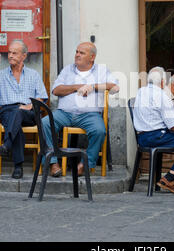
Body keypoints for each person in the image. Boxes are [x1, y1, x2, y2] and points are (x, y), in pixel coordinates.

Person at [41, 42, 119, 177]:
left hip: (89, 115)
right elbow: (56, 90)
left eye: (81, 53)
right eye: (77, 52)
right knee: (45, 123)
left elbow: (114, 87)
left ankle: (85, 164)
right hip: (64, 113)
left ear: (92, 57)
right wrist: (77, 86)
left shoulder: (101, 70)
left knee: (99, 130)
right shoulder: (67, 70)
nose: (77, 55)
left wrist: (92, 86)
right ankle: (53, 162)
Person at [0, 39, 48, 179]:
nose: (10, 56)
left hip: (29, 112)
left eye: (15, 53)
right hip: (8, 111)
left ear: (24, 56)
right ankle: (18, 167)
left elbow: (43, 97)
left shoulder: (33, 74)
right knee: (16, 125)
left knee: (19, 112)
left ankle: (7, 145)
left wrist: (29, 106)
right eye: (9, 52)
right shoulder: (1, 74)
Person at [133, 67, 174, 194]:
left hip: (143, 137)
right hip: (156, 136)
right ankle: (171, 178)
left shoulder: (141, 91)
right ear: (163, 82)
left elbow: (164, 120)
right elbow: (173, 125)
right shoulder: (162, 96)